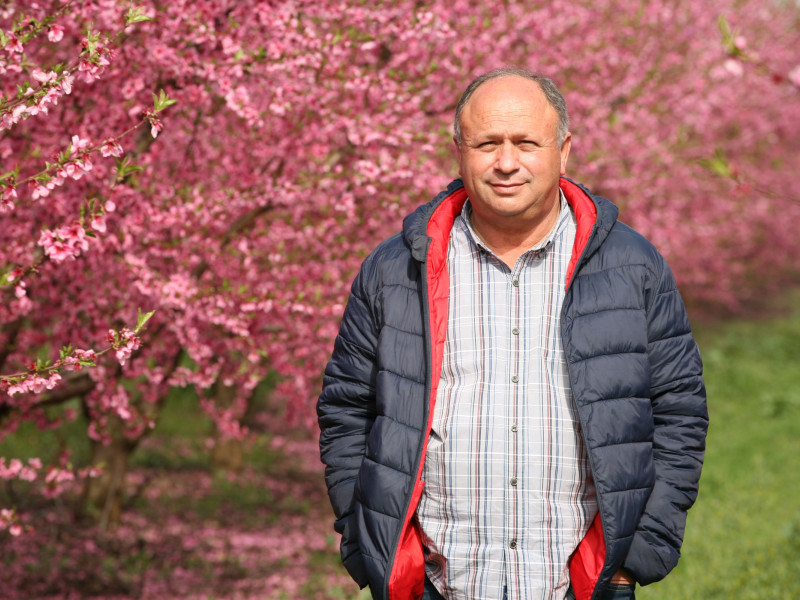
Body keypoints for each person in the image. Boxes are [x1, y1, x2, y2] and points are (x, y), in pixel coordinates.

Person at [317, 68, 708, 600]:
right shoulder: (396, 270)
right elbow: (346, 410)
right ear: (459, 151)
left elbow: (678, 411)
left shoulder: (631, 266)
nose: (506, 162)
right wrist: (371, 543)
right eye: (487, 144)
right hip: (433, 583)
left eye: (526, 142)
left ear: (563, 150)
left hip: (581, 582)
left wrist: (633, 558)